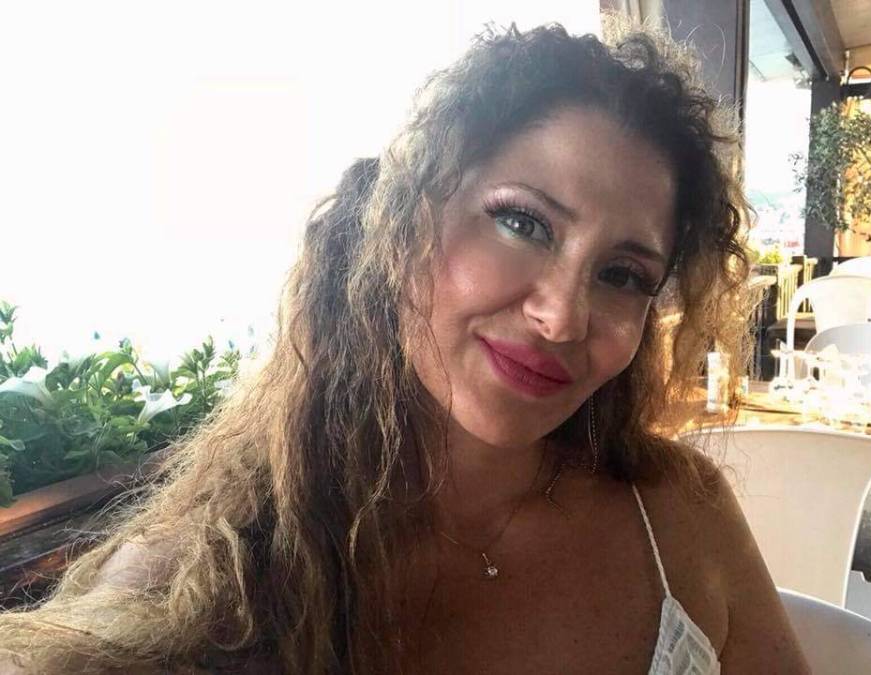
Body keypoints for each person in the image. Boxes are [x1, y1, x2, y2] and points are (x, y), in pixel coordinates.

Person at [0, 21, 809, 674]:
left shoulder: (679, 511)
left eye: (623, 274)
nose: (562, 317)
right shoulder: (201, 587)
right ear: (406, 221)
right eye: (522, 222)